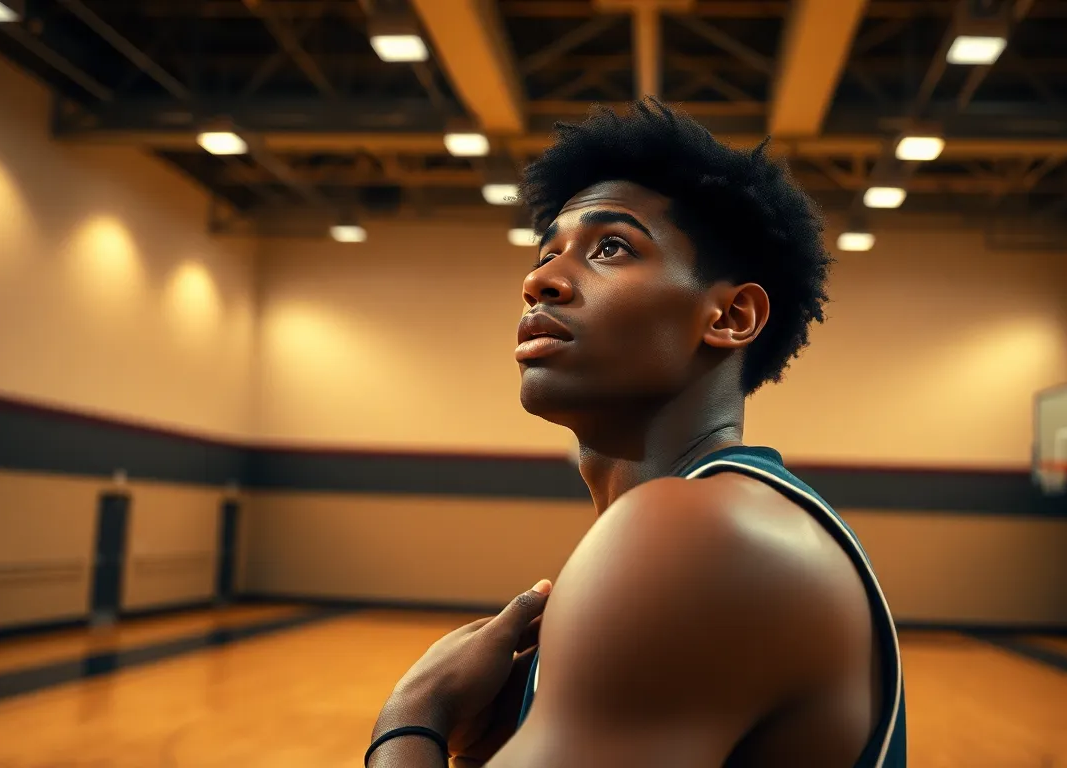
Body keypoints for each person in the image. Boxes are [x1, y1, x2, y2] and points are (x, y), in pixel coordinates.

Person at [366, 98, 907, 768]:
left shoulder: (700, 532)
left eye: (610, 247)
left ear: (732, 315)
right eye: (546, 253)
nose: (539, 281)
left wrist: (412, 718)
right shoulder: (722, 516)